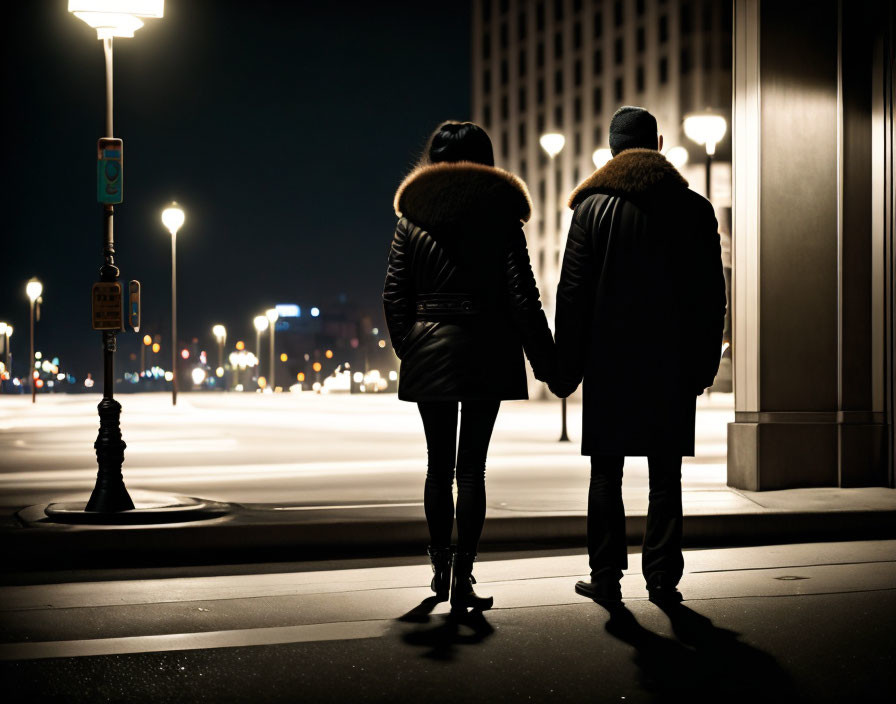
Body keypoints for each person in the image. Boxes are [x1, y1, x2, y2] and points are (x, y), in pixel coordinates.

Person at [550, 106, 726, 607]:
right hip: (669, 363)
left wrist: (568, 364)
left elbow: (573, 293)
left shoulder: (591, 211)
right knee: (665, 473)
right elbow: (711, 295)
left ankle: (605, 574)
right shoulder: (694, 209)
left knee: (606, 471)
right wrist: (704, 361)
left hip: (609, 362)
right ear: (660, 144)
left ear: (612, 151)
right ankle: (663, 577)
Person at [384, 121, 554, 611]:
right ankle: (464, 575)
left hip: (430, 351)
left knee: (438, 469)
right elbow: (523, 297)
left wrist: (411, 347)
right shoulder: (501, 217)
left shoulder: (411, 219)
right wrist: (547, 362)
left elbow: (395, 294)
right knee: (472, 470)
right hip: (488, 350)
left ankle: (439, 570)